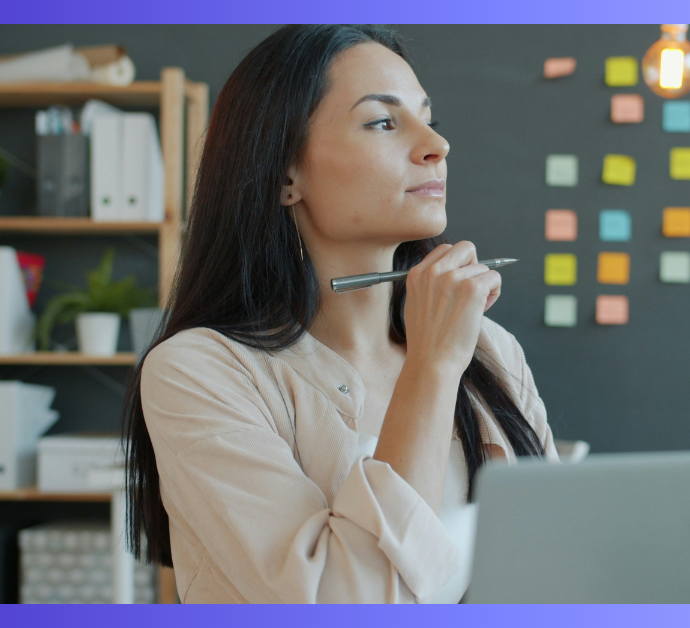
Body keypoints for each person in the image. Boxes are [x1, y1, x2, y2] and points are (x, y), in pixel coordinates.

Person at [121, 24, 561, 604]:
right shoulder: (199, 371)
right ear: (286, 173)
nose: (437, 144)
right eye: (382, 122)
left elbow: (561, 562)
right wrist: (432, 368)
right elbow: (347, 601)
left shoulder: (489, 349)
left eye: (429, 118)